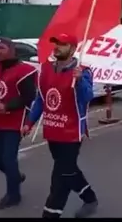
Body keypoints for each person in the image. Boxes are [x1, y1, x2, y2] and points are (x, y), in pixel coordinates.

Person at [22, 33, 99, 218]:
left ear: (73, 49)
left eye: (62, 44)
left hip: (72, 133)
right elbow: (41, 99)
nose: (56, 47)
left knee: (61, 176)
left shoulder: (82, 71)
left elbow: (87, 98)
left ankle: (50, 214)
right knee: (69, 170)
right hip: (52, 131)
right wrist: (30, 122)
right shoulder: (46, 69)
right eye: (55, 43)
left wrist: (80, 80)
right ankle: (90, 198)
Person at [0, 37, 37, 211]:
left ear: (12, 50)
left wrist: (7, 106)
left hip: (14, 121)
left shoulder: (25, 70)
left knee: (8, 158)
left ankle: (13, 195)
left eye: (2, 48)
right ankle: (16, 177)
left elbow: (29, 96)